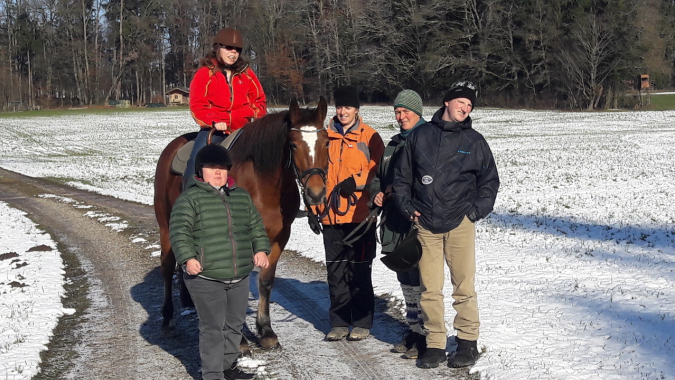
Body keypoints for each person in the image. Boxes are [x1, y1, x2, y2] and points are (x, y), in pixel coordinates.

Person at [391, 81, 499, 369]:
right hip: (425, 223)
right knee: (429, 289)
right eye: (462, 102)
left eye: (470, 105)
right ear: (448, 102)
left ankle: (467, 342)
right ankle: (435, 344)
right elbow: (401, 179)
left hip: (460, 223)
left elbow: (489, 182)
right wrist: (409, 209)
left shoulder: (475, 142)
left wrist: (474, 213)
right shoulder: (420, 137)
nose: (466, 107)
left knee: (463, 286)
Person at [170, 144, 270, 380]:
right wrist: (188, 258)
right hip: (206, 276)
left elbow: (255, 226)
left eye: (223, 168)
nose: (218, 173)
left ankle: (227, 367)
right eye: (212, 168)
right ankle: (212, 374)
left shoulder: (241, 197)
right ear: (200, 171)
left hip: (239, 275)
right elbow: (179, 232)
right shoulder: (189, 199)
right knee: (213, 328)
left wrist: (261, 249)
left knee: (235, 324)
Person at [312, 85, 385, 342]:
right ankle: (340, 322)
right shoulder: (324, 136)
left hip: (360, 217)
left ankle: (362, 322)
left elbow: (379, 172)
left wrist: (356, 181)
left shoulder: (370, 137)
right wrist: (313, 209)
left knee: (360, 272)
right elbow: (313, 173)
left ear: (357, 109)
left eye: (348, 107)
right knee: (335, 272)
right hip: (330, 215)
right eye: (340, 107)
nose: (343, 112)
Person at [369, 89, 426, 359]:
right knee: (406, 280)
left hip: (417, 222)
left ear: (418, 113)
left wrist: (401, 194)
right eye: (398, 112)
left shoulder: (428, 140)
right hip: (393, 223)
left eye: (406, 112)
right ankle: (414, 331)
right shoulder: (392, 145)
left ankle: (428, 336)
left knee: (423, 281)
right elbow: (378, 178)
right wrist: (377, 192)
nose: (401, 116)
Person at [183, 27, 267, 189]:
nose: (233, 52)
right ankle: (188, 196)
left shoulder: (247, 74)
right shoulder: (204, 74)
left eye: (237, 49)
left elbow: (260, 103)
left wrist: (251, 117)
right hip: (215, 130)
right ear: (217, 48)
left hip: (244, 130)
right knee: (196, 159)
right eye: (228, 48)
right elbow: (197, 105)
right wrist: (214, 121)